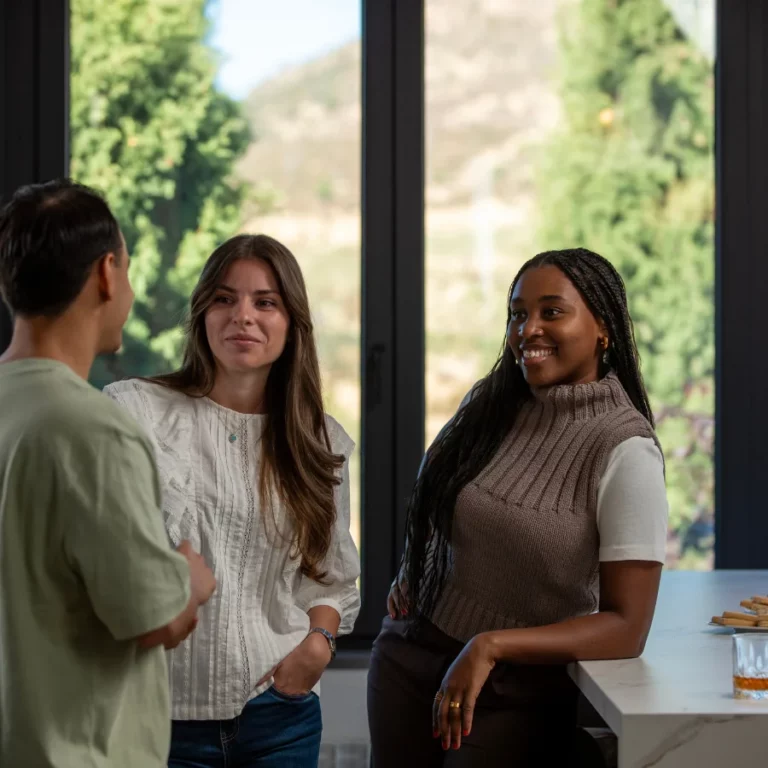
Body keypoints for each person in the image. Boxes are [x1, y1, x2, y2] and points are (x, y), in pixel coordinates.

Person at [367, 248, 669, 766]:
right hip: (409, 654)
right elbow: (439, 492)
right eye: (517, 313)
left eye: (551, 312)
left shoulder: (625, 450)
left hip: (515, 691)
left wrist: (491, 645)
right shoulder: (490, 401)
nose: (528, 330)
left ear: (603, 327)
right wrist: (419, 567)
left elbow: (627, 627)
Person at [104, 233, 361, 767]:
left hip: (280, 716)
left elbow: (330, 578)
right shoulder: (137, 412)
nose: (243, 315)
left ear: (292, 325)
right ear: (201, 315)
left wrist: (316, 649)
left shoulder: (321, 441)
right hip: (160, 718)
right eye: (224, 299)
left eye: (265, 302)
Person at [0, 179, 216, 768]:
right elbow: (155, 619)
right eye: (128, 265)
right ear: (105, 274)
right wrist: (191, 579)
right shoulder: (93, 432)